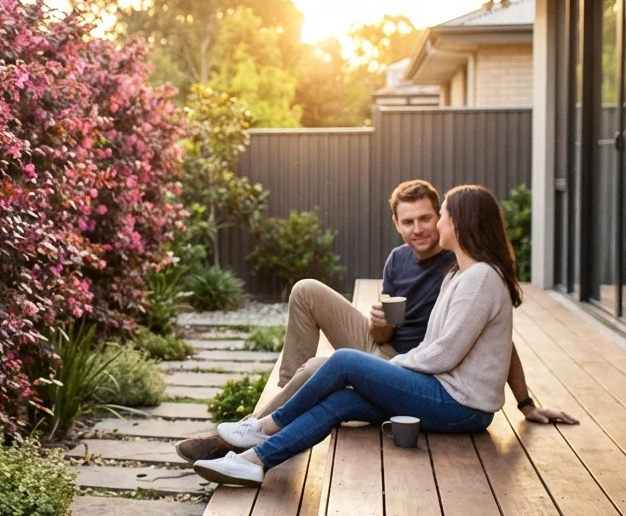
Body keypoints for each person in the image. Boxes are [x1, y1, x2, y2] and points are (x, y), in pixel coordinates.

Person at [174, 180, 574, 465]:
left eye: (438, 216)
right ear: (397, 224)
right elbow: (444, 343)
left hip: (456, 400)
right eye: (410, 221)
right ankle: (257, 459)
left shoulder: (480, 278)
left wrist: (524, 402)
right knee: (342, 395)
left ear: (455, 222)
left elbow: (455, 350)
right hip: (427, 379)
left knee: (342, 363)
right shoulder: (455, 273)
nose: (428, 227)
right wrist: (379, 325)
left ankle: (263, 425)